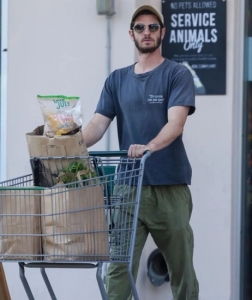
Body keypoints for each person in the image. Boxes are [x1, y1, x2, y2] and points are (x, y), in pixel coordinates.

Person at [82, 4, 199, 300]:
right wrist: (67, 143)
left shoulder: (176, 74)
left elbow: (176, 123)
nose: (146, 32)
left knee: (181, 270)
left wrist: (149, 146)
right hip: (127, 187)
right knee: (118, 268)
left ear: (162, 33)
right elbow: (97, 124)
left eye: (152, 27)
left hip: (168, 186)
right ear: (130, 34)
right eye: (140, 27)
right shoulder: (117, 80)